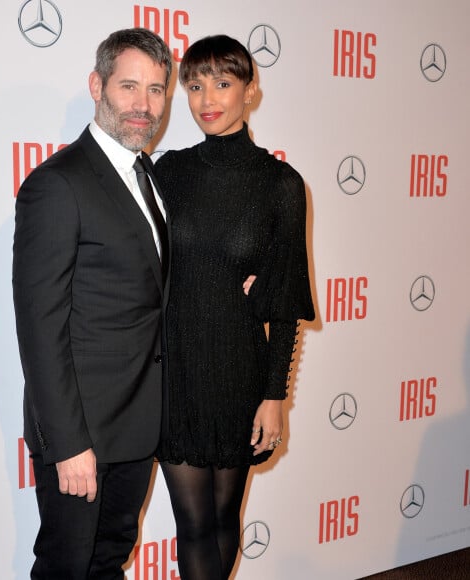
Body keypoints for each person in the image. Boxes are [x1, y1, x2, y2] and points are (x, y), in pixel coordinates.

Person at [12, 28, 172, 579]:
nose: (143, 104)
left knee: (108, 561)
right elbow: (40, 325)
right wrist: (69, 443)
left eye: (156, 90)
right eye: (129, 86)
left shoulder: (147, 176)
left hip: (136, 424)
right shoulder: (58, 184)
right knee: (66, 567)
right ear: (96, 85)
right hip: (81, 434)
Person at [154, 35, 315, 580]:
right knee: (193, 524)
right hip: (175, 372)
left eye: (222, 83)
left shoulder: (281, 185)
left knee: (225, 519)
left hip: (241, 372)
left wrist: (275, 397)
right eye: (194, 86)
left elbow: (287, 304)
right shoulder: (166, 173)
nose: (207, 99)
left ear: (250, 91)